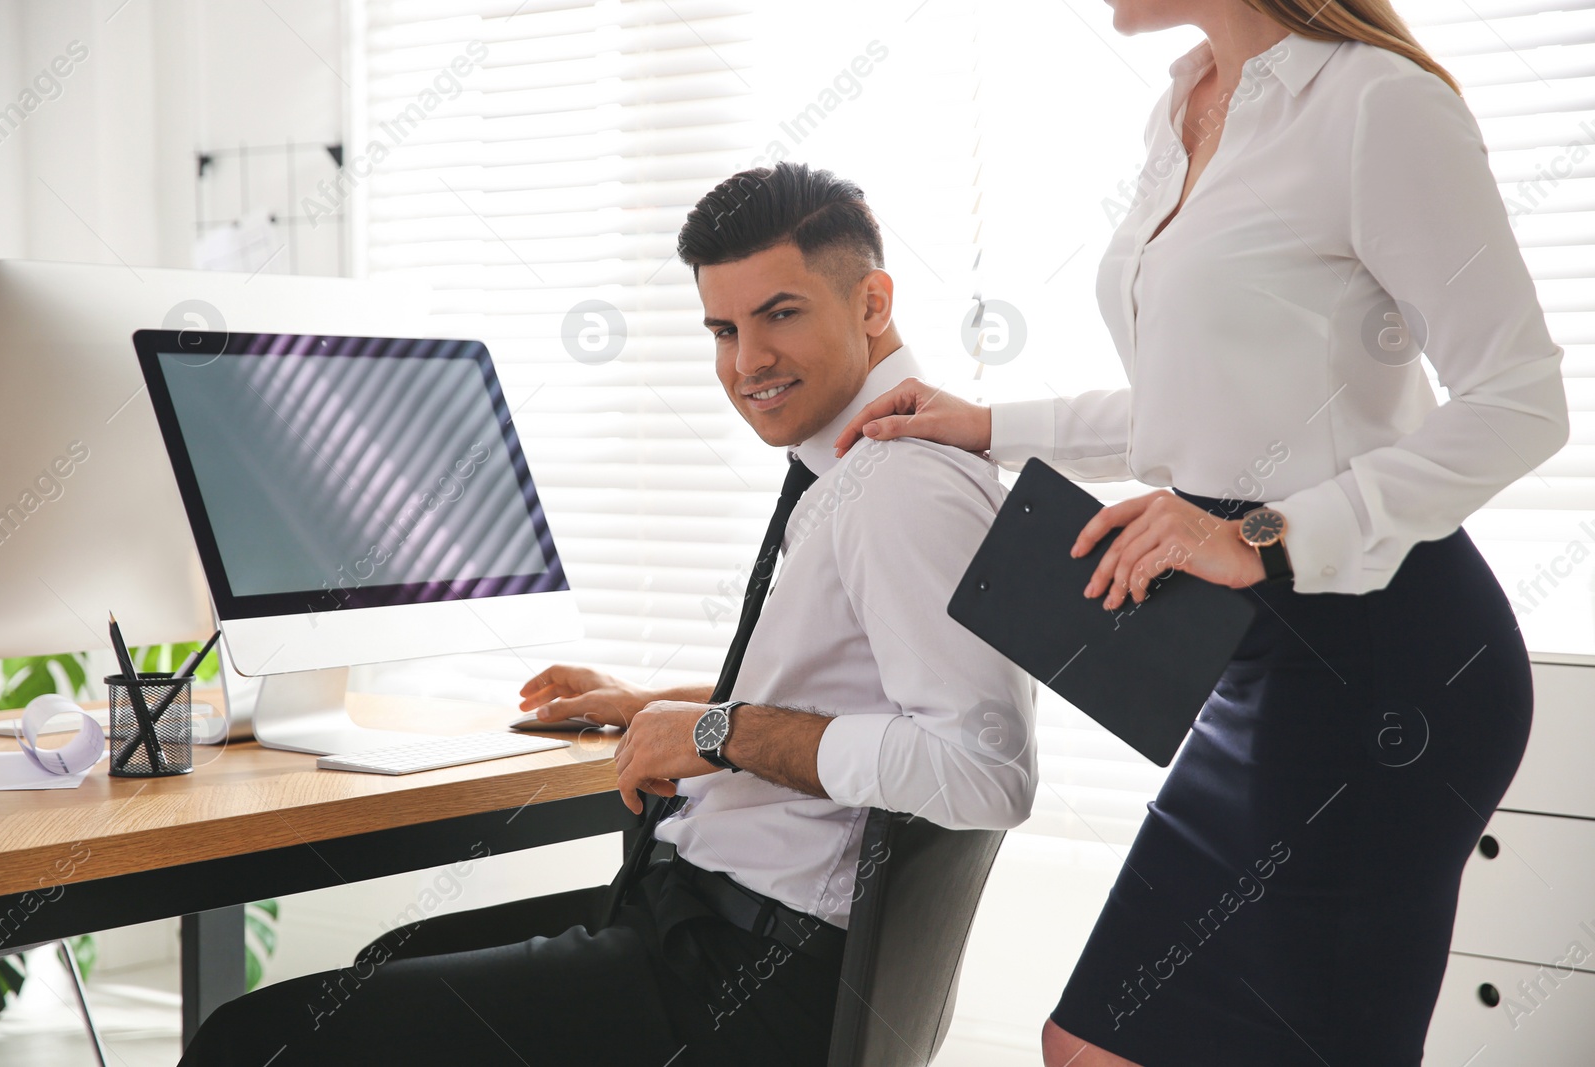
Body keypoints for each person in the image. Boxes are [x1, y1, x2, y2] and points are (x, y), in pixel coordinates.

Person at [832, 3, 1569, 1066]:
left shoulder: (1376, 105)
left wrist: (1267, 533)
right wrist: (991, 425)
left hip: (1387, 663)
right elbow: (1196, 410)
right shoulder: (1185, 105)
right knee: (1088, 1043)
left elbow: (1520, 398)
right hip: (1254, 651)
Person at [178, 161, 1036, 1067]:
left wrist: (712, 732)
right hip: (711, 927)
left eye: (780, 314)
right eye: (723, 329)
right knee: (392, 961)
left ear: (873, 302)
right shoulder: (860, 465)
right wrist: (653, 705)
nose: (747, 363)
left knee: (252, 1041)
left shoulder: (904, 488)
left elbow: (984, 770)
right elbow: (860, 693)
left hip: (739, 984)